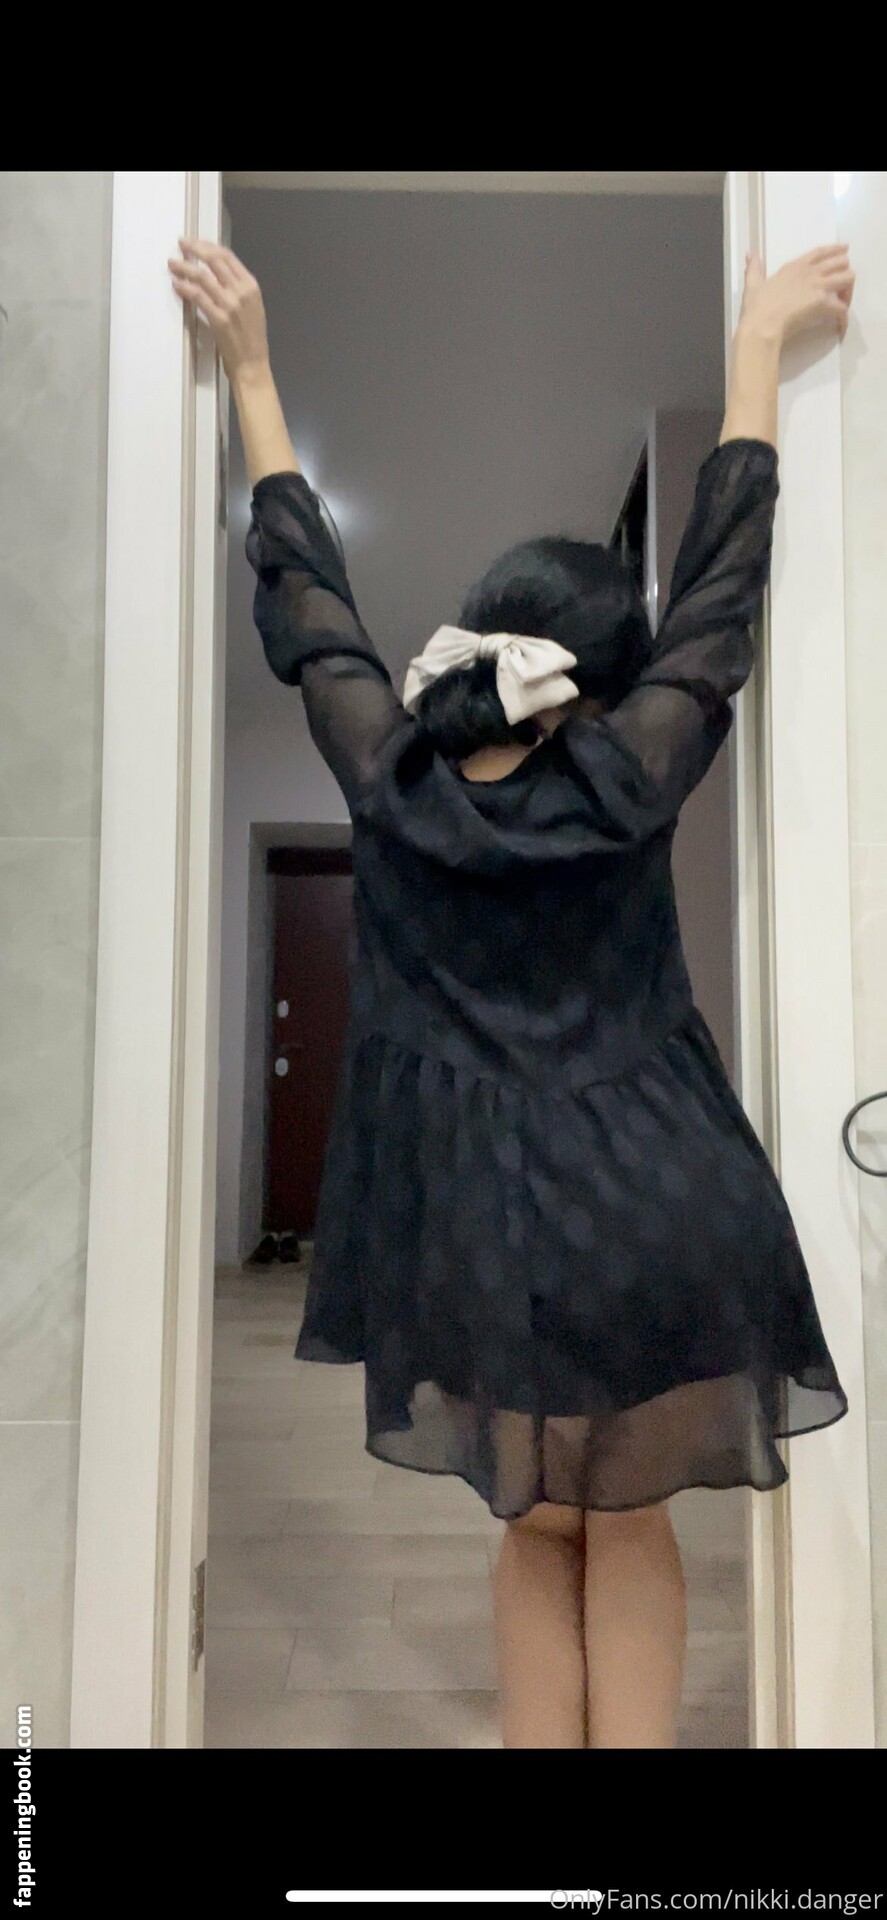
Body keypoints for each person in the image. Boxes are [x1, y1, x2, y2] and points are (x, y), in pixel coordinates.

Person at [170, 236, 853, 1750]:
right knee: (632, 1521)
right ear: (595, 683)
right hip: (654, 1200)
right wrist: (757, 350)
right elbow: (721, 599)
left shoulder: (387, 774)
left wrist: (254, 370)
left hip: (471, 1221)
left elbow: (308, 598)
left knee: (537, 1527)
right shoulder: (626, 777)